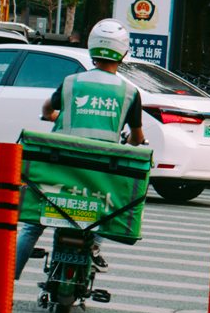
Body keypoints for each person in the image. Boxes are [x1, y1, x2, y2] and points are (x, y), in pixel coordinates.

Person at [14, 19, 146, 279]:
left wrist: (53, 118)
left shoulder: (72, 82)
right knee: (102, 209)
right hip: (99, 172)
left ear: (91, 48)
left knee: (31, 229)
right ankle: (95, 246)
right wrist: (132, 141)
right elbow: (137, 137)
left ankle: (7, 281)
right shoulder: (130, 92)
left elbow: (46, 109)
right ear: (123, 53)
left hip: (58, 167)